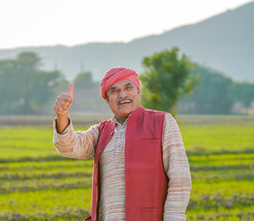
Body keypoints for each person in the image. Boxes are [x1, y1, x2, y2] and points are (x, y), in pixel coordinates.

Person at [53, 67, 191, 221]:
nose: (123, 94)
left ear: (138, 91)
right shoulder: (102, 130)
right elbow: (70, 147)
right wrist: (62, 115)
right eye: (114, 90)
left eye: (128, 87)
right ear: (107, 100)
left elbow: (180, 179)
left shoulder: (162, 122)